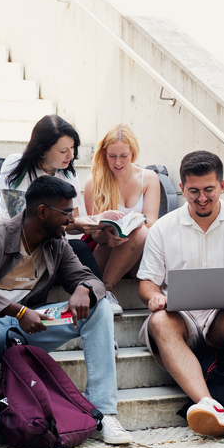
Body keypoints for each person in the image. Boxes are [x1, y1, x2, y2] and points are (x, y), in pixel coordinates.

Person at [0, 176, 132, 448]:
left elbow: (86, 277)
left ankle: (104, 413)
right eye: (67, 213)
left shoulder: (57, 244)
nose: (72, 219)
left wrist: (85, 288)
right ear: (43, 212)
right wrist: (17, 311)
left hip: (29, 329)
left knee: (100, 307)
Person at [137, 150, 224, 445]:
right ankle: (210, 406)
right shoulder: (162, 228)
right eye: (193, 191)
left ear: (223, 186)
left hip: (221, 318)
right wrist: (155, 297)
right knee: (159, 321)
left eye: (209, 190)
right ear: (182, 188)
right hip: (179, 318)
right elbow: (146, 282)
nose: (201, 198)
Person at [0, 115, 117, 281]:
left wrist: (94, 220)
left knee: (79, 248)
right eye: (63, 151)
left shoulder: (68, 173)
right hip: (20, 249)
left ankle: (101, 296)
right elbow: (22, 222)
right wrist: (75, 223)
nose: (70, 155)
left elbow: (71, 221)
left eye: (73, 148)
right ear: (42, 150)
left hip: (55, 247)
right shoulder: (16, 165)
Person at [83, 124, 160, 315]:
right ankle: (104, 294)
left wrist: (135, 220)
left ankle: (105, 291)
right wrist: (106, 236)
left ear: (133, 153)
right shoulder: (93, 182)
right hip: (106, 249)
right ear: (104, 154)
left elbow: (151, 222)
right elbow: (93, 233)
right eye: (112, 156)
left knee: (141, 230)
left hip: (138, 255)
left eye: (123, 156)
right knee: (111, 240)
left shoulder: (149, 178)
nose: (118, 162)